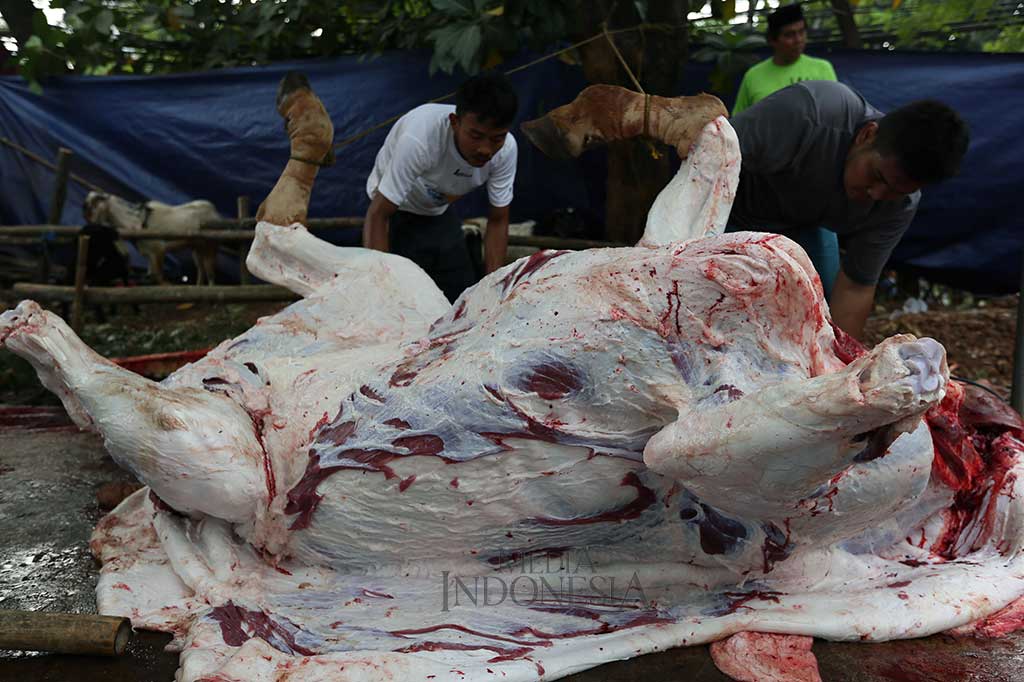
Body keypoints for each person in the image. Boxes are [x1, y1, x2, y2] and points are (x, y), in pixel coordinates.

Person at [727, 80, 969, 340]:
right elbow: (709, 159)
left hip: (802, 228)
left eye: (895, 192)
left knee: (823, 313)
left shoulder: (901, 205)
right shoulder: (811, 113)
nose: (876, 194)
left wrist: (840, 371)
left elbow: (856, 286)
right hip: (728, 211)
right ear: (867, 135)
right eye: (876, 176)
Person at [363, 71, 518, 302]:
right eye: (475, 136)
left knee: (462, 297)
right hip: (394, 211)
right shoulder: (420, 139)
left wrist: (494, 289)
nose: (486, 149)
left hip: (437, 211)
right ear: (455, 123)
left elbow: (498, 219)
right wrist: (382, 288)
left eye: (496, 138)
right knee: (402, 298)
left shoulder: (506, 151)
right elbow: (378, 214)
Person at [732, 3, 836, 116]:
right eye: (789, 35)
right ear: (772, 40)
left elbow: (835, 112)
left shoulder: (822, 68)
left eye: (801, 32)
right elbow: (739, 121)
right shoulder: (753, 76)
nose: (798, 39)